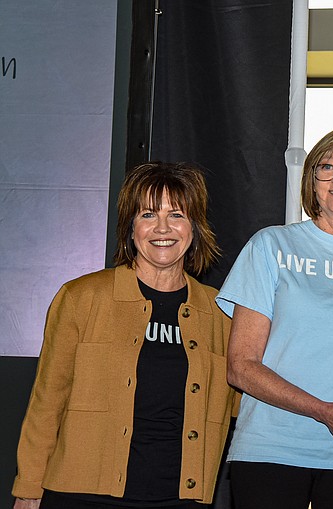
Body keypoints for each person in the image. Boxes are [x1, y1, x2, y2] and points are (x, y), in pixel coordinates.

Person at [12, 162, 237, 509]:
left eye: (176, 214)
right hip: (81, 495)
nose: (163, 228)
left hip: (181, 499)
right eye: (148, 214)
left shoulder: (220, 313)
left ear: (194, 229)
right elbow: (46, 403)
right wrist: (28, 489)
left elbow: (245, 405)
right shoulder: (81, 298)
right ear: (131, 229)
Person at [214, 125, 333, 509]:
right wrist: (323, 411)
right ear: (312, 182)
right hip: (271, 450)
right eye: (326, 168)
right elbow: (240, 366)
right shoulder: (271, 246)